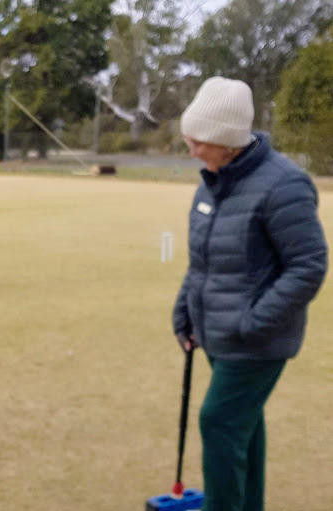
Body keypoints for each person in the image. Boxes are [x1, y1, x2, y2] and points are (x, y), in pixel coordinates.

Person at [172, 77, 327, 511]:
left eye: (199, 142)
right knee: (244, 427)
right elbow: (203, 259)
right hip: (217, 332)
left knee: (219, 421)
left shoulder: (285, 186)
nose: (192, 151)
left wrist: (253, 322)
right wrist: (185, 310)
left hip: (257, 339)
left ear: (227, 141)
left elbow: (308, 265)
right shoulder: (212, 180)